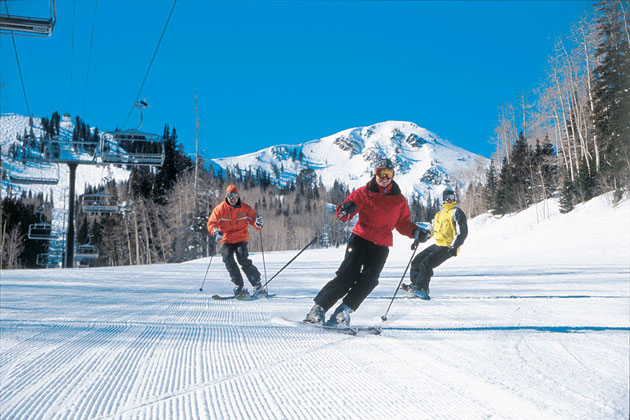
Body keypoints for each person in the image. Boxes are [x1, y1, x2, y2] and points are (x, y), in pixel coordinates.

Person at [304, 158, 423, 326]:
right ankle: (318, 309)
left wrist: (415, 231)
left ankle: (342, 311)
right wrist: (347, 209)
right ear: (376, 174)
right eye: (382, 173)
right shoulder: (364, 192)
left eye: (389, 174)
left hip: (381, 245)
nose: (385, 177)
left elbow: (403, 223)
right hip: (361, 239)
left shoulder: (399, 200)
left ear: (393, 176)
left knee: (370, 279)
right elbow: (344, 212)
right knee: (348, 276)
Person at [402, 187, 468, 300]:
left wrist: (454, 246)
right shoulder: (439, 214)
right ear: (443, 199)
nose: (449, 199)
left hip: (448, 246)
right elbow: (431, 229)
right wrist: (419, 238)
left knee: (427, 263)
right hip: (438, 244)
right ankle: (415, 286)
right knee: (417, 261)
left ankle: (422, 288)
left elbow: (462, 232)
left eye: (452, 197)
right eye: (447, 197)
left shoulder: (456, 212)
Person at [207, 185, 265, 296]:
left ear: (238, 196)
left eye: (234, 196)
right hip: (226, 239)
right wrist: (215, 231)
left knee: (242, 258)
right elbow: (211, 223)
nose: (232, 199)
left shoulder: (245, 208)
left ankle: (257, 284)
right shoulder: (220, 209)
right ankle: (239, 285)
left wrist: (258, 223)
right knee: (227, 259)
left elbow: (254, 220)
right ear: (226, 196)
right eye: (230, 196)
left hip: (240, 238)